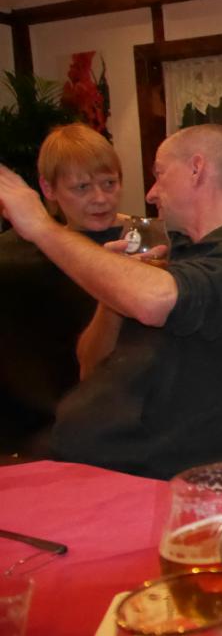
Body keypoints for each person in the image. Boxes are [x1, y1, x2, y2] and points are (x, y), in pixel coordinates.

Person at [0, 124, 222, 478]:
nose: (151, 193)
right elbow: (89, 366)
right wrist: (113, 293)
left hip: (146, 472)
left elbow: (155, 301)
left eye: (159, 174)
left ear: (196, 169)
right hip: (73, 452)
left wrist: (40, 227)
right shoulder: (177, 252)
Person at [0, 124, 125, 452]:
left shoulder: (142, 244)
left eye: (109, 183)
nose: (100, 199)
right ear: (48, 188)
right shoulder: (14, 259)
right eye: (82, 187)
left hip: (124, 421)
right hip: (44, 430)